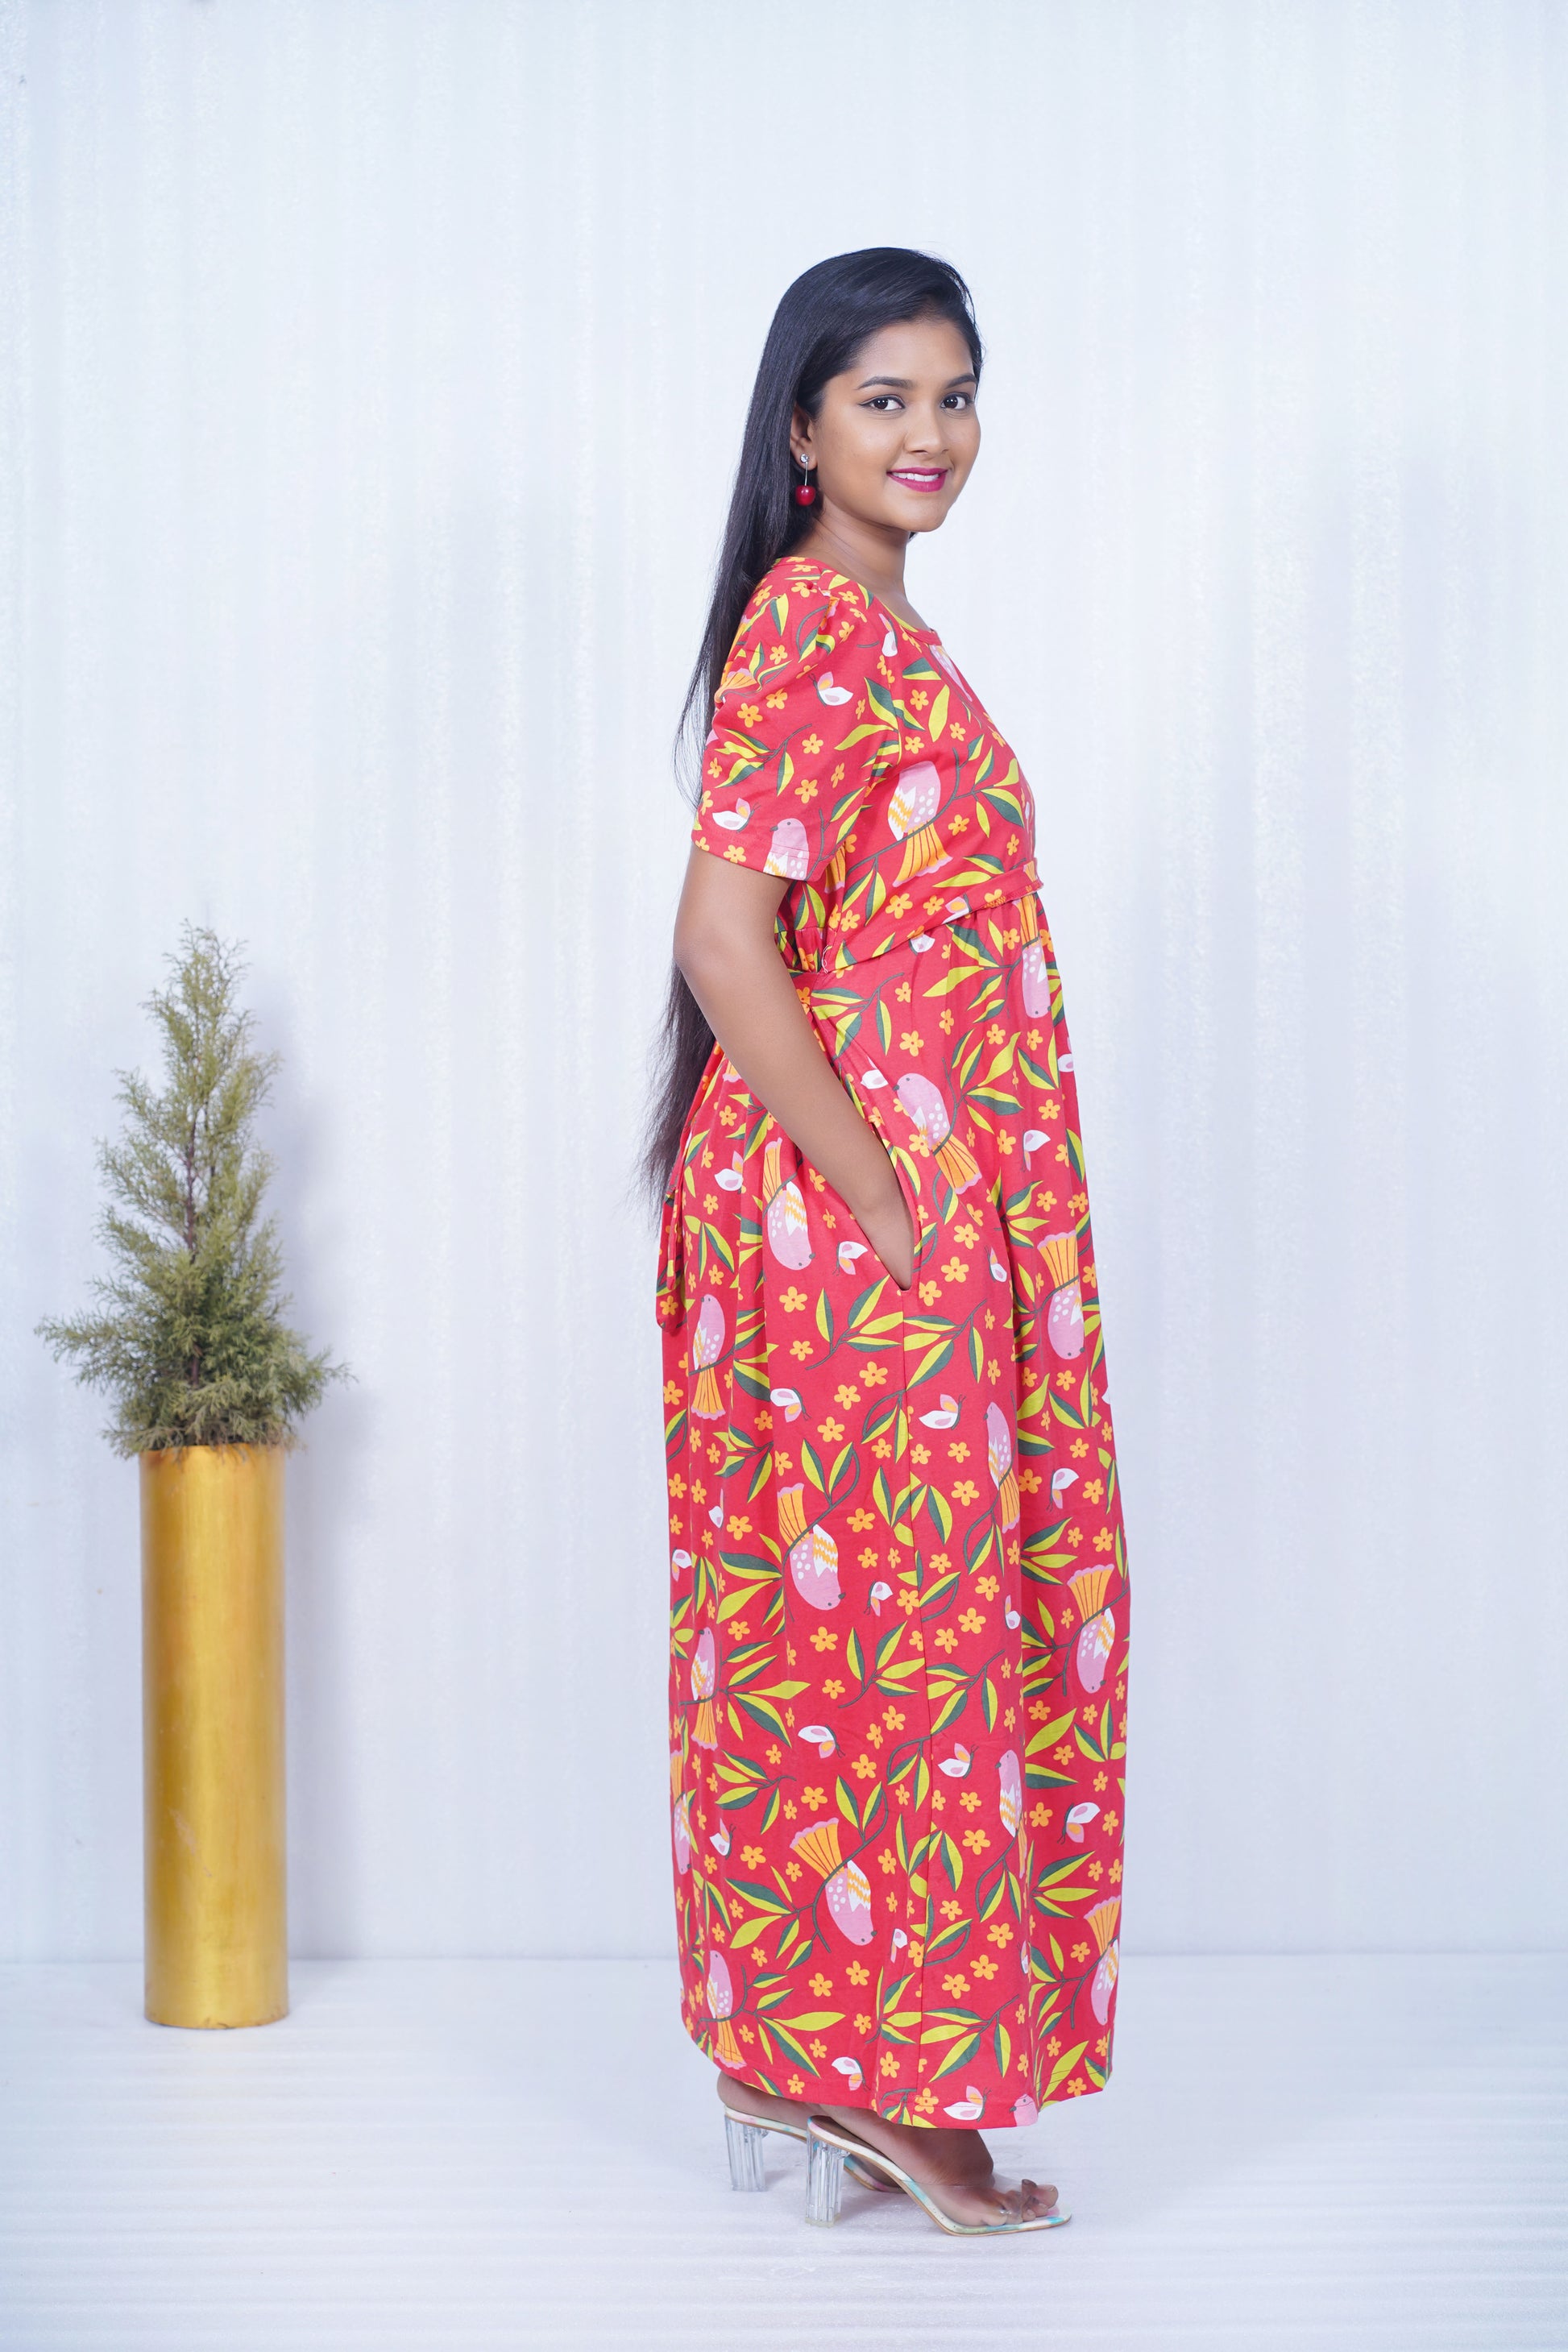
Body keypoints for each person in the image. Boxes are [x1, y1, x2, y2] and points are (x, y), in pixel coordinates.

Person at [646, 248, 1130, 2237]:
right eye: (882, 398)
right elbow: (721, 937)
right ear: (800, 427)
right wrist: (876, 1191)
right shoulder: (811, 626)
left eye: (953, 395)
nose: (928, 434)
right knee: (898, 1648)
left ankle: (811, 2058)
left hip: (907, 1212)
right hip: (853, 1223)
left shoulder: (876, 633)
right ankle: (888, 2089)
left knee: (884, 1636)